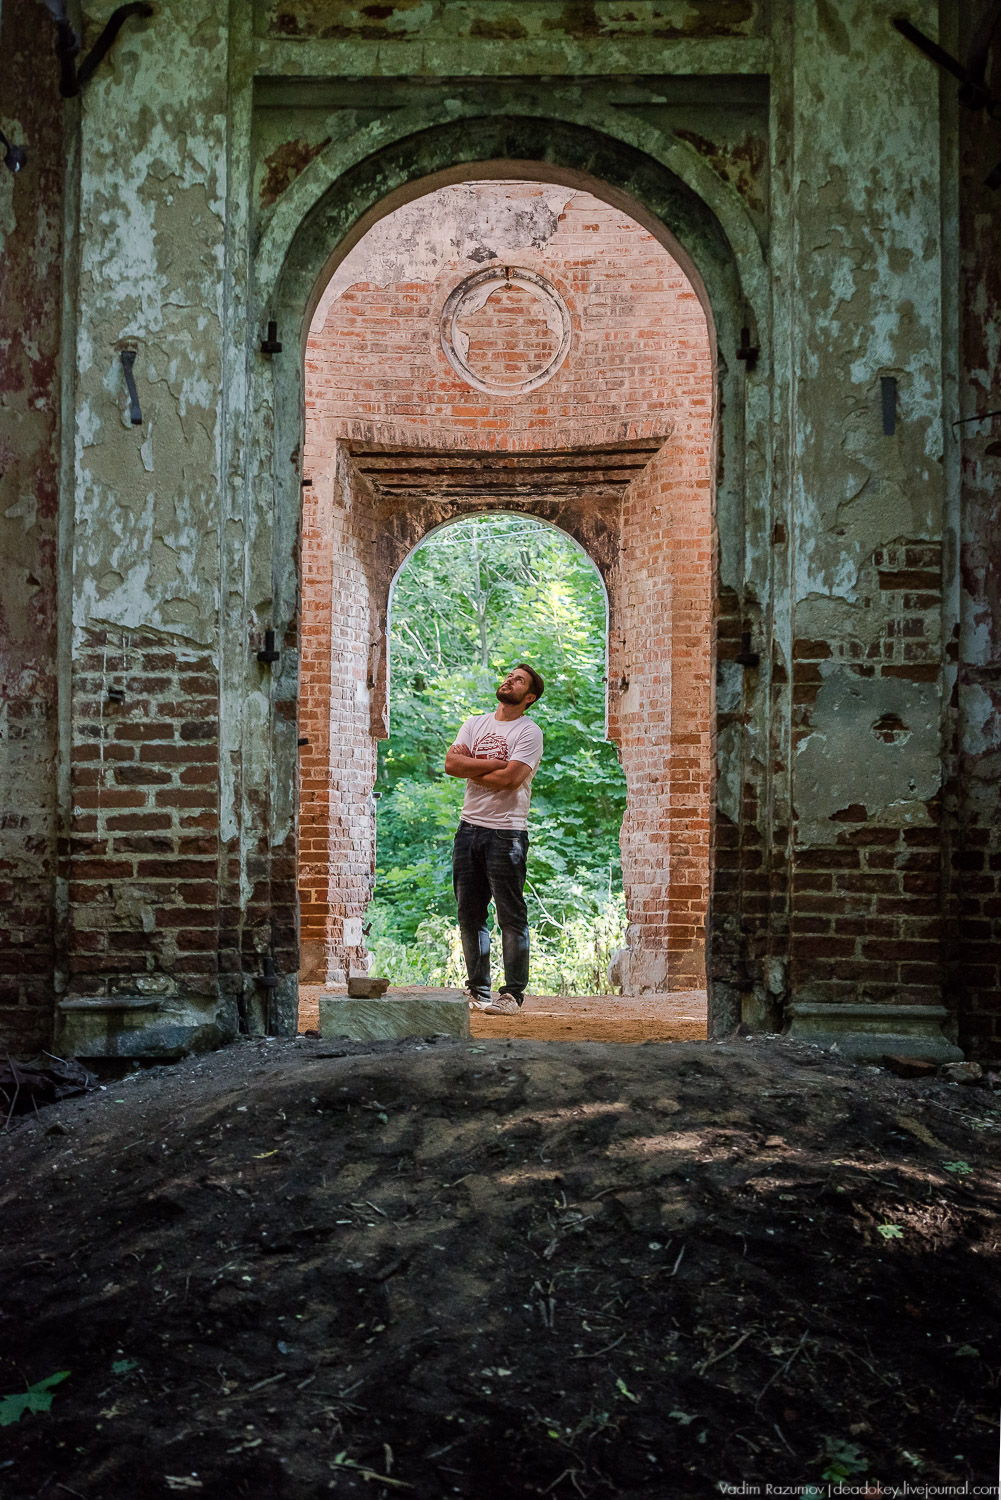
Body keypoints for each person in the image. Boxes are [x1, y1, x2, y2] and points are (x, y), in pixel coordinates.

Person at [444, 664, 545, 1015]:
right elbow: (451, 765)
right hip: (468, 829)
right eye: (509, 676)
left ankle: (512, 995)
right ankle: (478, 991)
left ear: (528, 697)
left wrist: (473, 763)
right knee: (470, 915)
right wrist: (492, 764)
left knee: (510, 916)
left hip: (508, 832)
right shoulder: (475, 723)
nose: (509, 681)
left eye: (518, 680)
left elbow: (511, 780)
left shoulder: (529, 732)